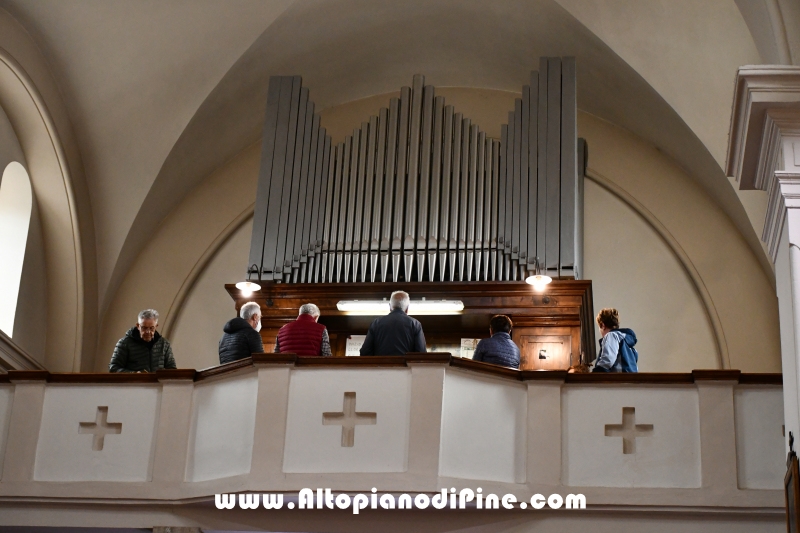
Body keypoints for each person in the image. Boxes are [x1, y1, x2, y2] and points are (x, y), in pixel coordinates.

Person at [360, 291, 426, 356]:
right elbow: (421, 354)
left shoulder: (376, 323)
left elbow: (365, 352)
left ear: (390, 307)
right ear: (407, 308)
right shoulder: (415, 324)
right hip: (406, 366)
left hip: (381, 366)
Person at [109, 309, 176, 373]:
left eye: (151, 328)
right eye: (144, 328)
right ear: (138, 326)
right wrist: (134, 374)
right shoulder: (125, 343)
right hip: (134, 383)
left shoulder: (164, 344)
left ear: (156, 326)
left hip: (158, 384)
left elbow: (172, 369)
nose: (148, 331)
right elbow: (113, 368)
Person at [592, 308, 638, 372]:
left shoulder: (611, 335)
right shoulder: (626, 341)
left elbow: (608, 360)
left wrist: (595, 374)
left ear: (603, 325)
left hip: (617, 379)